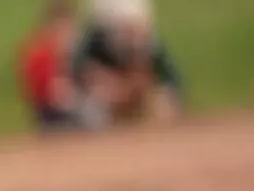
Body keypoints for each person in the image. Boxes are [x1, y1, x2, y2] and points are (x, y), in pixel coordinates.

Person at [69, 0, 184, 129]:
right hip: (105, 106)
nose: (130, 37)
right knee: (91, 114)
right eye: (126, 31)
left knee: (163, 105)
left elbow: (172, 83)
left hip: (139, 105)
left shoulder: (150, 47)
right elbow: (78, 76)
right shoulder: (93, 44)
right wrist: (108, 85)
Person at [17, 0, 81, 133]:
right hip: (49, 111)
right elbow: (51, 92)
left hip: (62, 105)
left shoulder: (63, 52)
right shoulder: (41, 52)